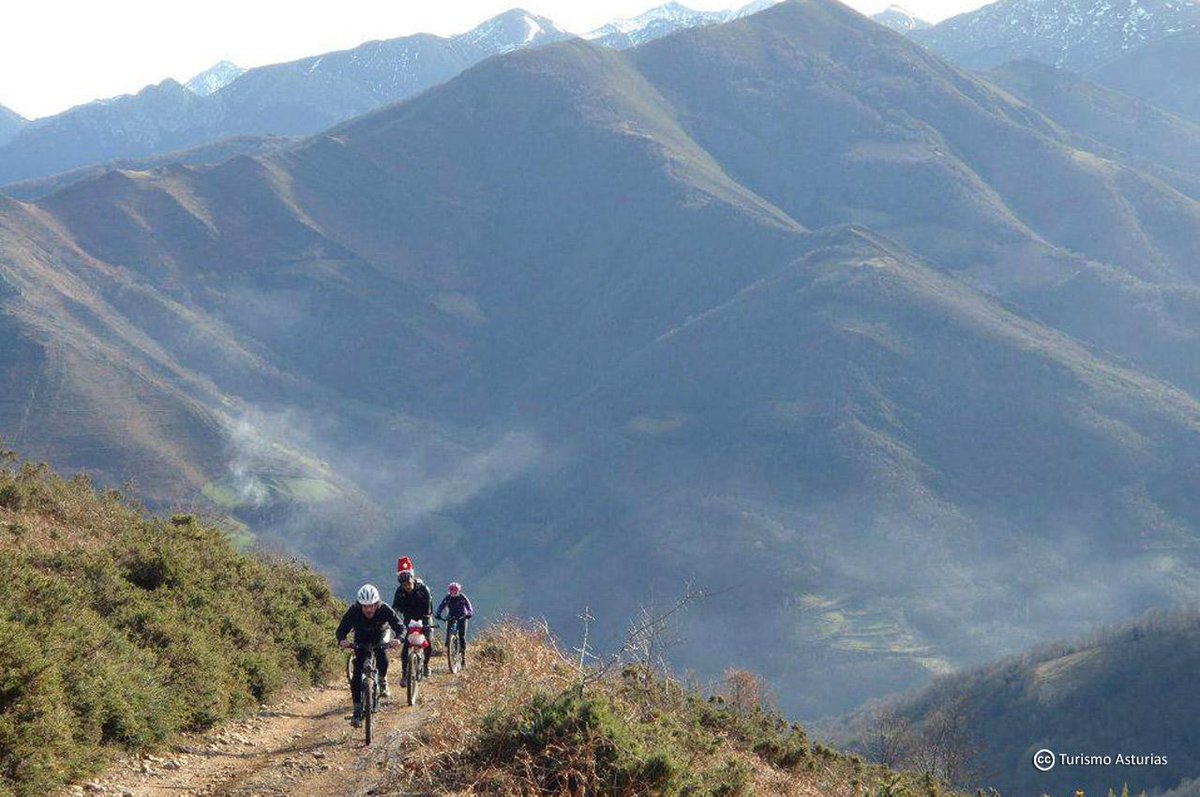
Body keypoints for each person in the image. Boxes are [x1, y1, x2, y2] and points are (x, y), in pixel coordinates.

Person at [336, 583, 403, 727]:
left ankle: (383, 679)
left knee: (382, 657)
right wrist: (342, 640)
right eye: (365, 606)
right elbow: (341, 629)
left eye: (372, 605)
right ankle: (357, 710)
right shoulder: (354, 610)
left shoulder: (384, 609)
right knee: (357, 674)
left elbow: (400, 626)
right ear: (360, 605)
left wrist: (398, 639)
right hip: (361, 638)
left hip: (381, 635)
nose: (368, 609)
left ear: (377, 603)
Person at [392, 562, 433, 684]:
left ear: (413, 579)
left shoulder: (423, 589)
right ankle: (405, 675)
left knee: (428, 642)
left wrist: (424, 624)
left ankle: (425, 665)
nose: (407, 587)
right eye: (404, 585)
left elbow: (428, 609)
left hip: (424, 617)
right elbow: (396, 609)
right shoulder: (400, 592)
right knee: (405, 646)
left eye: (409, 583)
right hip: (408, 619)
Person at [435, 582, 474, 668]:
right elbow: (441, 606)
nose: (453, 594)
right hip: (452, 616)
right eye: (451, 592)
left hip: (462, 616)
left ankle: (463, 658)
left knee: (462, 636)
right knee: (449, 631)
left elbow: (469, 606)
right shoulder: (448, 598)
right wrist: (438, 613)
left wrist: (469, 613)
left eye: (455, 592)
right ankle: (449, 643)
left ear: (458, 591)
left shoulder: (462, 597)